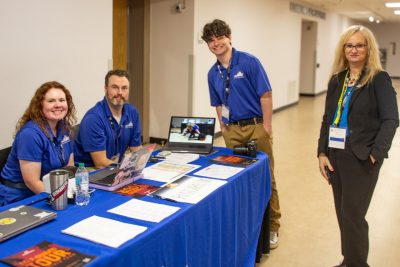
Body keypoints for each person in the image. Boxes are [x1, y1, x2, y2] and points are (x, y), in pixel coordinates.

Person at [317, 25, 398, 267]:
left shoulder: (378, 79)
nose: (354, 49)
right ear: (344, 49)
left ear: (368, 48)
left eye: (359, 45)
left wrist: (375, 154)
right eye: (349, 45)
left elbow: (391, 120)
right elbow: (327, 118)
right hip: (335, 155)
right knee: (344, 215)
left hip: (361, 157)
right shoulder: (337, 79)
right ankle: (348, 260)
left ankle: (358, 264)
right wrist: (321, 152)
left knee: (353, 215)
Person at [202, 19, 281, 250]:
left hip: (256, 127)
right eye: (210, 40)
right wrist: (223, 128)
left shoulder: (248, 62)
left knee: (267, 176)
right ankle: (246, 222)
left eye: (219, 37)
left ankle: (273, 226)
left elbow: (266, 94)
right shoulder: (212, 73)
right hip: (232, 130)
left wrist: (266, 126)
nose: (216, 43)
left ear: (229, 37)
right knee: (236, 177)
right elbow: (217, 103)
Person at [0, 81, 77, 206]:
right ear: (40, 105)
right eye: (51, 101)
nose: (58, 105)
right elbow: (32, 181)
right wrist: (60, 199)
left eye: (62, 100)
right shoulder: (30, 134)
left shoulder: (64, 127)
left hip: (50, 190)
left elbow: (69, 167)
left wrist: (72, 193)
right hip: (20, 196)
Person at [74, 69, 142, 168]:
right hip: (88, 171)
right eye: (114, 87)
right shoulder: (93, 118)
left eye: (124, 88)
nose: (120, 92)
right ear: (106, 89)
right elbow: (101, 163)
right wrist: (125, 169)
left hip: (114, 165)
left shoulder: (133, 112)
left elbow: (137, 150)